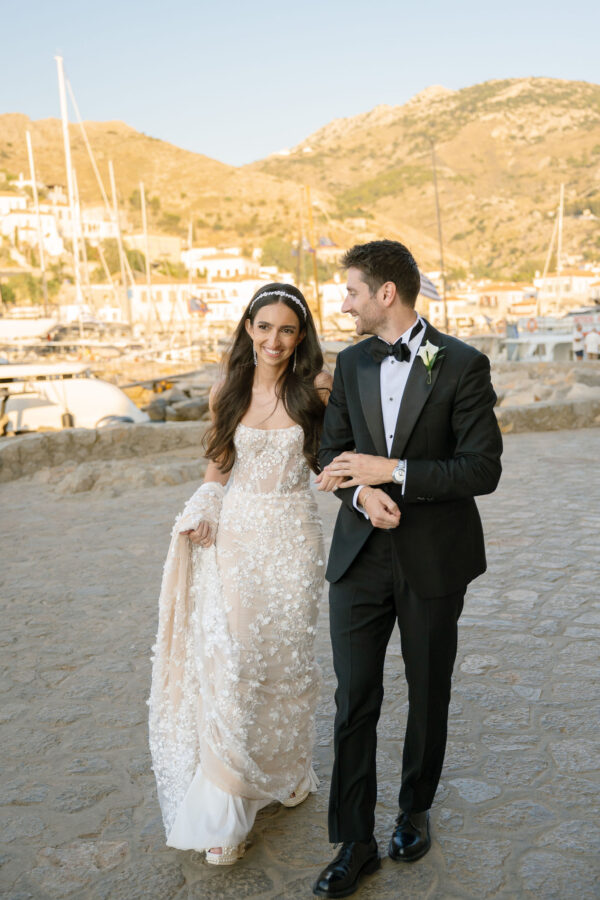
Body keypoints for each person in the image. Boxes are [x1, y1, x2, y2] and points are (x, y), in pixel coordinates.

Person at [312, 241, 503, 898]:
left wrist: (392, 471)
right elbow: (332, 454)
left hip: (434, 557)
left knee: (428, 689)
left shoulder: (461, 363)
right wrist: (362, 494)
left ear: (385, 293)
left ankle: (414, 808)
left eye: (352, 291)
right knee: (353, 698)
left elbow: (482, 468)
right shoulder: (350, 362)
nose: (345, 303)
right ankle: (354, 841)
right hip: (359, 557)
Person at [149, 283, 337, 865]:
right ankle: (226, 810)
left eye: (286, 329)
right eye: (264, 327)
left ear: (300, 336)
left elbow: (336, 454)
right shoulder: (225, 390)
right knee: (235, 666)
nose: (274, 340)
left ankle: (287, 770)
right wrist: (205, 507)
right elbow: (218, 466)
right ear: (249, 329)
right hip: (237, 539)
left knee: (286, 663)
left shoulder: (318, 388)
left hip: (295, 540)